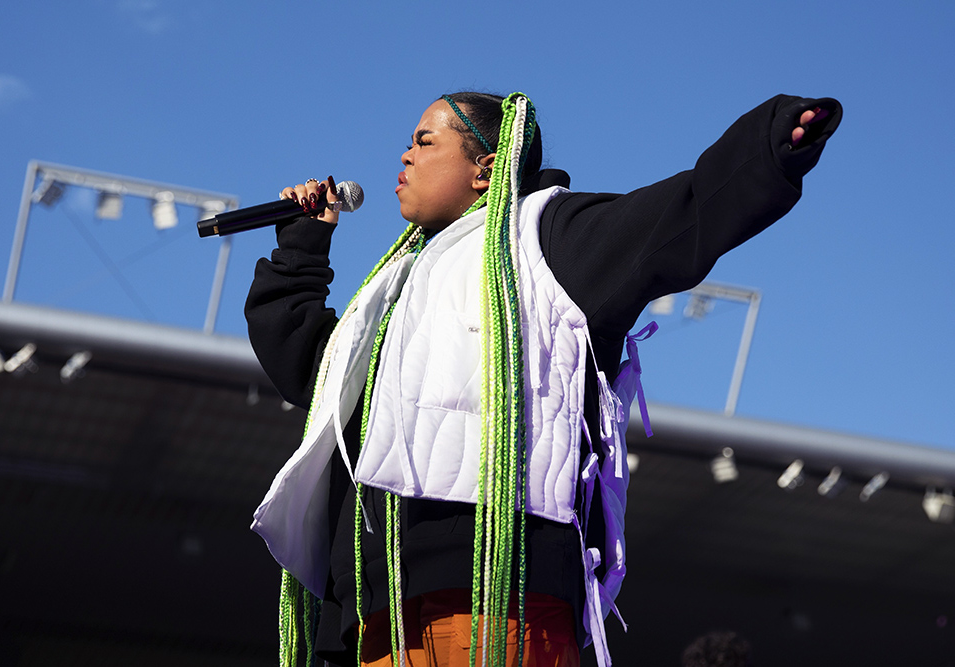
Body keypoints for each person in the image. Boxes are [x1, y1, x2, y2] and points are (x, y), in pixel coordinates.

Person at [245, 91, 842, 667]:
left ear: (485, 168)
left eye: (425, 141)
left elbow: (676, 218)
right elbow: (314, 374)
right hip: (376, 604)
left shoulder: (546, 236)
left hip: (493, 594)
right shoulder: (396, 282)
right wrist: (303, 246)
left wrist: (764, 148)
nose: (404, 155)